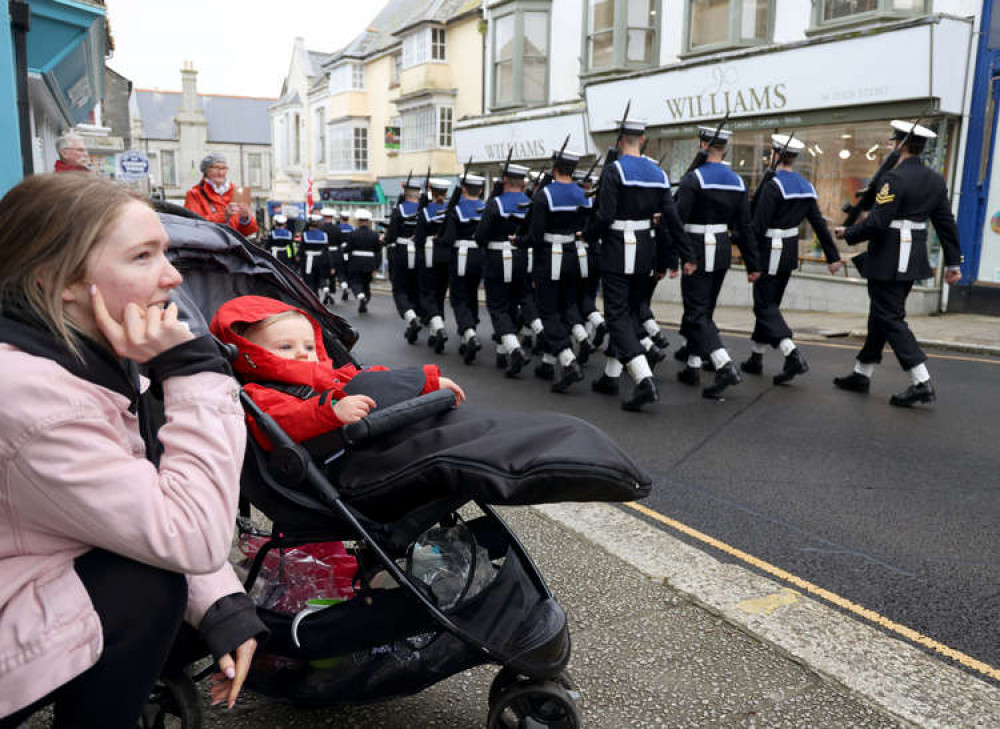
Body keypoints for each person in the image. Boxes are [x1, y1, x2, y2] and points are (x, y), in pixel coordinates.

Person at [0, 173, 264, 726]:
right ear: (58, 282)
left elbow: (140, 503)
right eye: (143, 256)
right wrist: (194, 370)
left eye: (165, 253)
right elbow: (186, 535)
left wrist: (222, 604)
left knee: (158, 587)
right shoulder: (36, 396)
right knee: (147, 588)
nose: (172, 276)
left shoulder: (88, 360)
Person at [209, 295, 465, 446]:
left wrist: (427, 383)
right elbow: (281, 422)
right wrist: (329, 411)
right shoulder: (259, 394)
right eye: (285, 346)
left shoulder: (332, 373)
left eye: (309, 346)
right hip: (339, 457)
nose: (302, 353)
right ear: (251, 354)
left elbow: (378, 379)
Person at [832, 120, 962, 407]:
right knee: (881, 314)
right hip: (910, 258)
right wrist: (953, 261)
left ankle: (921, 381)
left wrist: (848, 233)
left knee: (889, 317)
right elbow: (945, 224)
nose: (891, 146)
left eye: (893, 142)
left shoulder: (894, 179)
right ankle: (861, 372)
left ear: (900, 145)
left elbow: (878, 223)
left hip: (890, 257)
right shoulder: (936, 180)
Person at [587, 119, 693, 410]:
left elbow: (606, 216)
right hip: (644, 250)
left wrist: (589, 235)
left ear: (621, 140)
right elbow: (672, 220)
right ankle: (611, 375)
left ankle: (643, 379)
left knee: (617, 316)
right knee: (631, 313)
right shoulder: (658, 173)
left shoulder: (614, 170)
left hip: (617, 249)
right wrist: (687, 255)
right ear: (642, 140)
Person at [742, 134, 843, 385]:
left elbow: (758, 227)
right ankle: (756, 356)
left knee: (764, 306)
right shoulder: (805, 185)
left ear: (776, 155)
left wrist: (749, 257)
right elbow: (818, 223)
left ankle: (791, 353)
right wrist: (833, 256)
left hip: (769, 251)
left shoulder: (773, 185)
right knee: (770, 305)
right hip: (788, 252)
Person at [674, 125, 762, 399]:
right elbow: (744, 227)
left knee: (696, 312)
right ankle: (693, 365)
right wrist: (753, 264)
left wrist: (685, 256)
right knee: (705, 311)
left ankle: (724, 365)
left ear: (702, 146)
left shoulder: (694, 179)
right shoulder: (737, 181)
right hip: (722, 249)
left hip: (697, 250)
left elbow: (677, 219)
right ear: (724, 149)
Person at [524, 150, 590, 393]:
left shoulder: (544, 195)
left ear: (555, 169)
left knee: (548, 311)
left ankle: (567, 360)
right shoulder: (581, 194)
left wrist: (517, 241)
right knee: (565, 308)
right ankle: (548, 362)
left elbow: (536, 236)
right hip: (573, 256)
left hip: (550, 257)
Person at [475, 163, 533, 377]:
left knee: (498, 307)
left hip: (497, 258)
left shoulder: (496, 204)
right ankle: (502, 352)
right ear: (523, 183)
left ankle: (514, 349)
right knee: (513, 305)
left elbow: (481, 235)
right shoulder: (531, 203)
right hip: (521, 257)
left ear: (505, 181)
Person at [440, 174, 487, 364]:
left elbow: (449, 238)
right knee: (472, 293)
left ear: (464, 190)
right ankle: (471, 327)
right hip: (480, 256)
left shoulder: (457, 210)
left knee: (459, 297)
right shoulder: (486, 207)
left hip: (461, 256)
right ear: (481, 190)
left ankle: (469, 332)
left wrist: (440, 240)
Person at [385, 180, 425, 343]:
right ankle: (415, 318)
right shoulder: (424, 210)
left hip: (402, 252)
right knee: (415, 289)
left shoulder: (399, 210)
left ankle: (411, 319)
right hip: (420, 253)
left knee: (400, 290)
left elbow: (391, 235)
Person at [184, 153, 259, 238]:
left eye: (224, 168)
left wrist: (245, 219)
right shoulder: (194, 194)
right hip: (209, 248)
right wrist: (224, 216)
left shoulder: (238, 192)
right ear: (206, 171)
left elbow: (247, 232)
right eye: (216, 168)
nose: (220, 172)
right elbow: (194, 225)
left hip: (233, 248)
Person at [416, 179, 452, 352]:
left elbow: (420, 238)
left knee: (427, 295)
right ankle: (433, 333)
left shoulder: (426, 211)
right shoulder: (451, 210)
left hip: (429, 255)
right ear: (445, 193)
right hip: (446, 256)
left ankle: (438, 327)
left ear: (432, 191)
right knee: (440, 295)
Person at [343, 209, 382, 314]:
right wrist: (376, 267)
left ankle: (360, 296)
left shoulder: (353, 233)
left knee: (355, 282)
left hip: (355, 262)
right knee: (366, 284)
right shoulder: (374, 235)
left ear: (359, 221)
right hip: (370, 263)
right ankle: (365, 299)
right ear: (368, 221)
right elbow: (378, 251)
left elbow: (347, 249)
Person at [300, 213, 331, 302]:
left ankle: (313, 297)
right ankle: (319, 293)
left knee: (309, 280)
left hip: (308, 260)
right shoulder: (324, 235)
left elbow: (302, 249)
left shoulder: (305, 235)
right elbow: (326, 249)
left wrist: (299, 260)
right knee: (318, 278)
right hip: (320, 259)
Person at [337, 211, 355, 301]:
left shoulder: (337, 228)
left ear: (340, 218)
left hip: (340, 252)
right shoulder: (352, 228)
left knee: (341, 272)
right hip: (350, 253)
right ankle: (348, 286)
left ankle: (344, 287)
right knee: (348, 270)